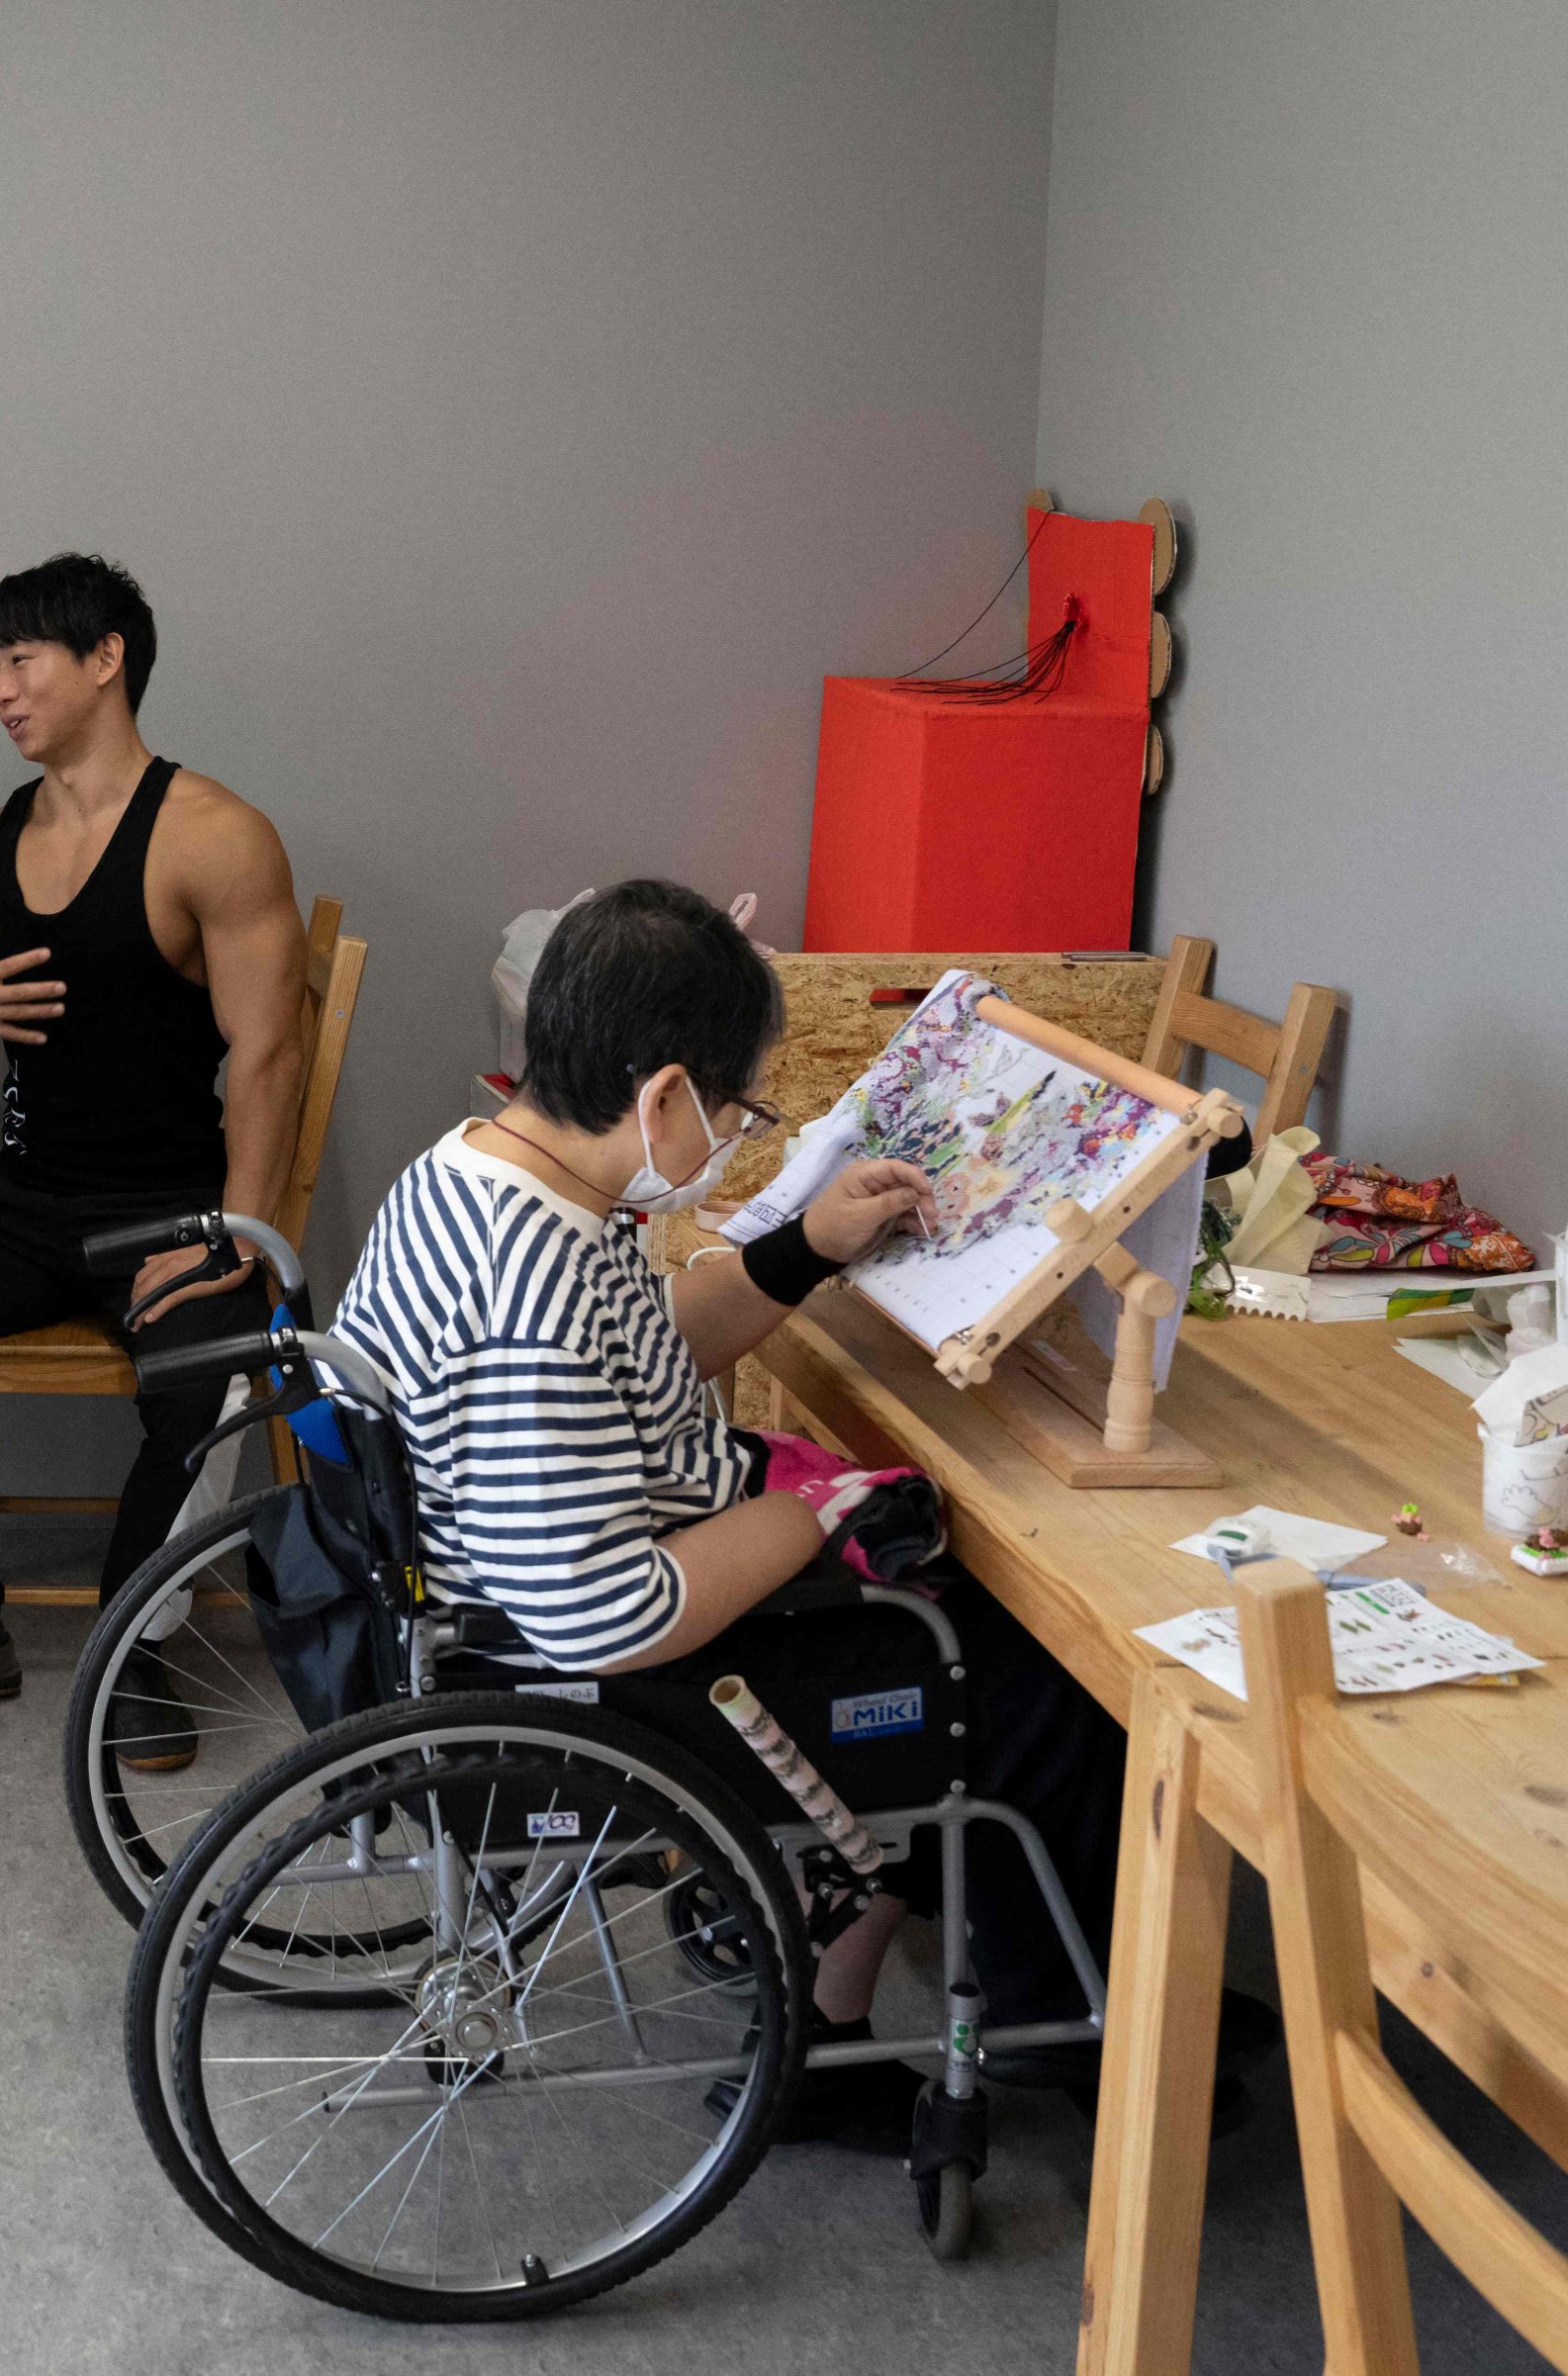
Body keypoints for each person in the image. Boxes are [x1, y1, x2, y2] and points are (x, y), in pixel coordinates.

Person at [331, 877, 1127, 2145]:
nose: (738, 1134)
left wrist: (804, 1245)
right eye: (739, 1108)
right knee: (1030, 1680)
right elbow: (608, 1613)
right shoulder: (531, 1290)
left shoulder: (491, 1175)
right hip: (590, 1663)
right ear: (660, 1097)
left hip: (537, 1567)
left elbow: (644, 1351)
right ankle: (1053, 2026)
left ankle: (819, 1939)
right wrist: (820, 1512)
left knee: (939, 1587)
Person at [0, 554, 308, 1733]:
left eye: (21, 661)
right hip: (28, 1197)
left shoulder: (215, 837)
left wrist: (235, 1235)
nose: (1, 691)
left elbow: (269, 1059)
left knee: (204, 1391)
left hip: (179, 1198)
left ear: (105, 659)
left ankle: (135, 1651)